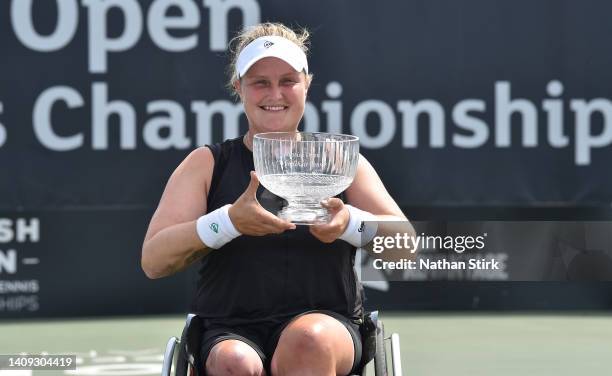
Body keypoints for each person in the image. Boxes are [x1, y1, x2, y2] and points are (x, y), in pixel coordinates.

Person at [142, 22, 412, 376]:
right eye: (260, 83)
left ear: (307, 84)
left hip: (329, 324)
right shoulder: (206, 164)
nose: (275, 94)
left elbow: (406, 246)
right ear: (239, 87)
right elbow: (154, 260)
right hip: (228, 328)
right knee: (234, 363)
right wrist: (228, 222)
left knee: (307, 341)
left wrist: (350, 224)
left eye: (288, 81)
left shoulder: (342, 163)